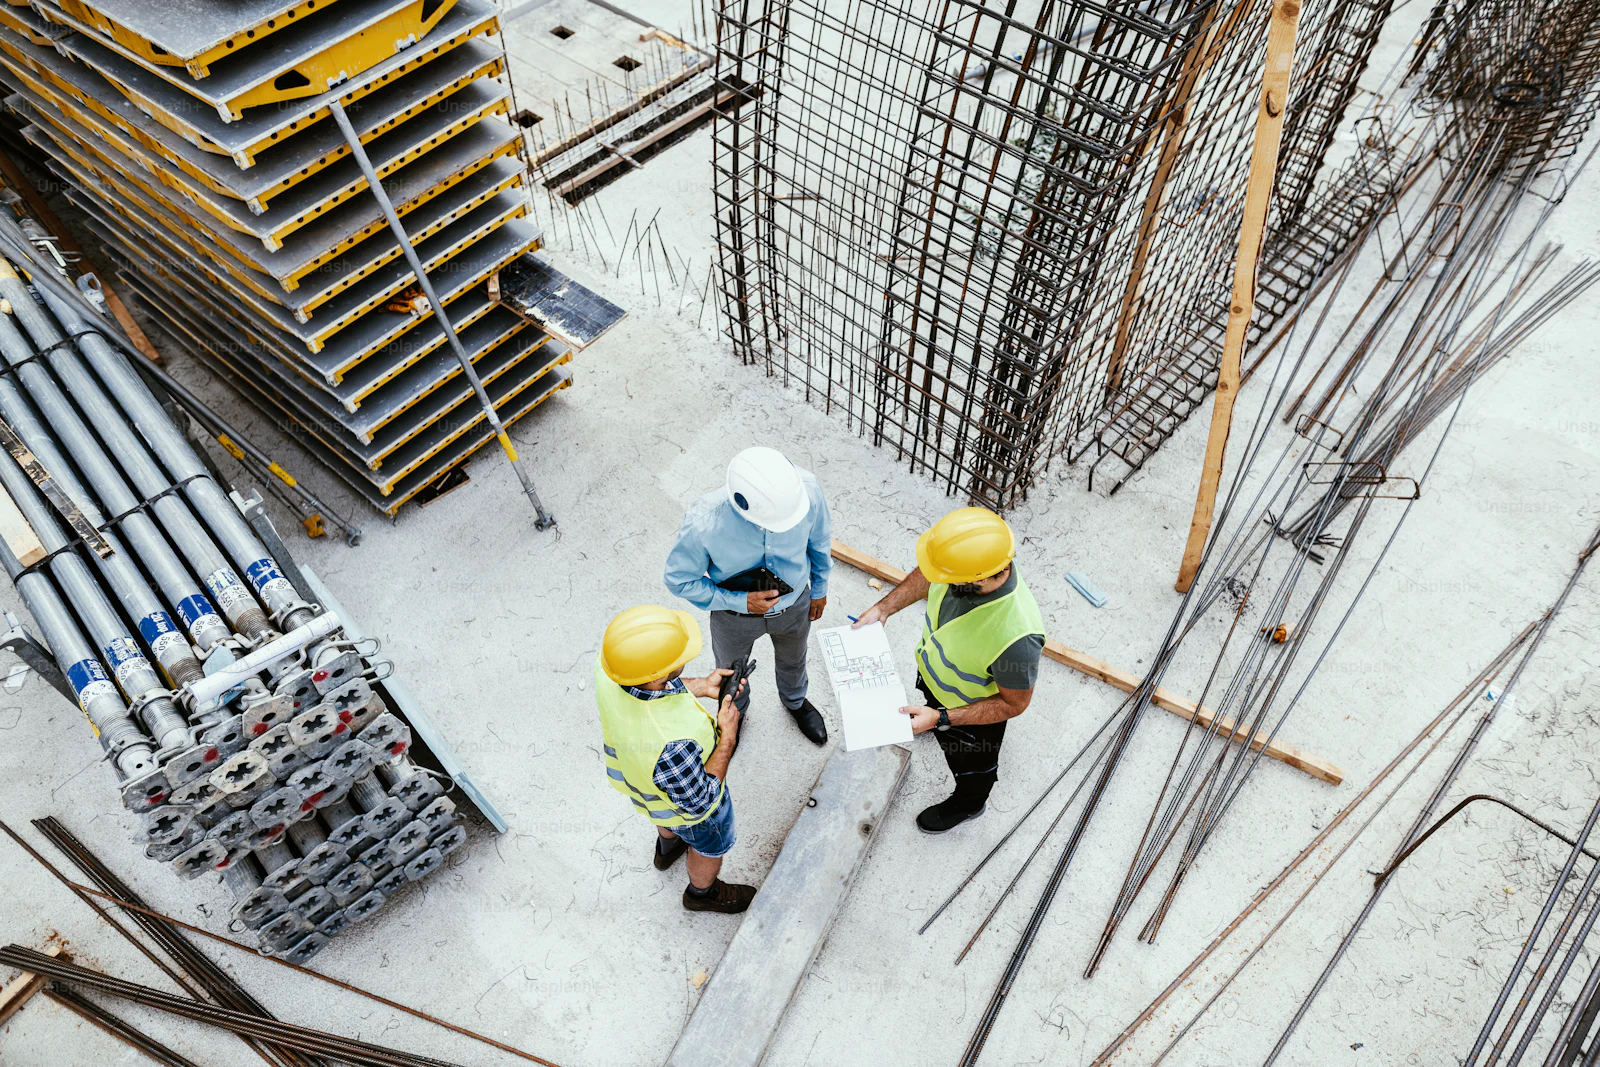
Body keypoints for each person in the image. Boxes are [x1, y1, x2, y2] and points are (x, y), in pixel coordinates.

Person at [852, 507, 1045, 832]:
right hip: (935, 681)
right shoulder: (965, 568)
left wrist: (942, 718)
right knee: (931, 715)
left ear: (981, 577)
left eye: (947, 575)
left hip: (971, 717)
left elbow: (1015, 704)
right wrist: (884, 608)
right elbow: (929, 575)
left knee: (972, 764)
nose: (939, 579)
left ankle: (969, 804)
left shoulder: (1017, 637)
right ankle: (933, 721)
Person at [664, 446, 832, 745]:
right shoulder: (704, 522)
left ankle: (795, 701)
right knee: (731, 674)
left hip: (794, 608)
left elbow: (819, 541)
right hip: (734, 620)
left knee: (795, 660)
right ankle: (735, 714)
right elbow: (679, 580)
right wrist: (740, 601)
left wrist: (819, 588)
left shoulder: (806, 492)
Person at [595, 605, 756, 913]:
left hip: (644, 787)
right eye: (678, 659)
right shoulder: (672, 746)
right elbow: (702, 801)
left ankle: (667, 848)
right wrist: (729, 735)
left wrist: (702, 687)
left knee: (666, 818)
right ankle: (702, 893)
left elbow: (648, 691)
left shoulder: (609, 670)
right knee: (708, 844)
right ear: (659, 675)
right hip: (690, 807)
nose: (685, 657)